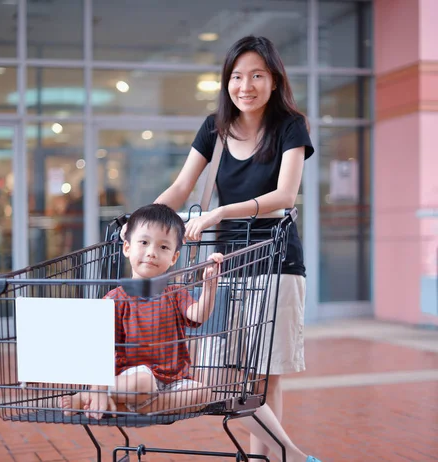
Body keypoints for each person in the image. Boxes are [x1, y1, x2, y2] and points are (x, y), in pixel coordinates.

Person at [153, 36, 314, 460]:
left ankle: (267, 458)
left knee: (265, 378)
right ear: (227, 82)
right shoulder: (214, 128)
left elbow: (285, 196)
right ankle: (291, 456)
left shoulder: (290, 126)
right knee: (222, 376)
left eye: (257, 75)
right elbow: (182, 185)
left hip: (276, 262)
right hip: (227, 265)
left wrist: (221, 212)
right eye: (237, 76)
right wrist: (142, 219)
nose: (246, 85)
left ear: (274, 80)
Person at [60, 204, 321, 462]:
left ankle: (118, 404)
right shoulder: (115, 299)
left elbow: (198, 315)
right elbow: (98, 350)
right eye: (144, 243)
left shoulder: (174, 293)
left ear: (174, 258)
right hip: (134, 379)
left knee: (203, 393)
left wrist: (210, 285)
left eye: (163, 247)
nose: (152, 253)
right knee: (143, 381)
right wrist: (95, 386)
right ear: (127, 248)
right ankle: (98, 396)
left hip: (171, 384)